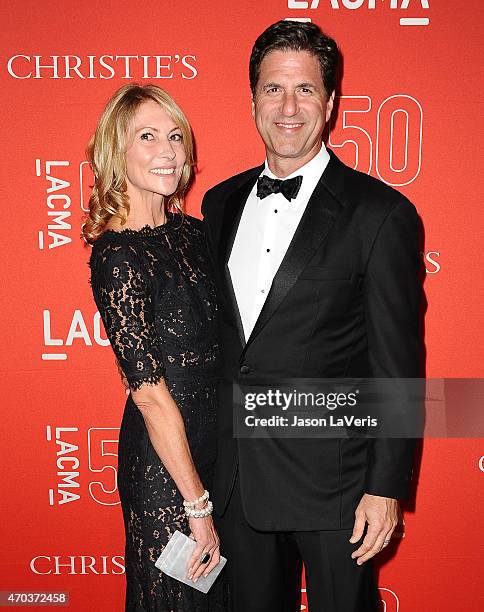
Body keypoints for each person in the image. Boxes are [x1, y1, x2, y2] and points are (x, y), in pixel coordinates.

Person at [202, 20, 423, 612]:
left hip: (337, 485)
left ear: (329, 103)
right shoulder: (219, 203)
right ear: (253, 101)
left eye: (305, 90)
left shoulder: (380, 213)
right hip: (238, 482)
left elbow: (398, 361)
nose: (289, 107)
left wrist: (385, 485)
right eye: (274, 89)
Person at [84, 84, 227, 612]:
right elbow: (148, 394)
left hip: (218, 450)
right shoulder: (117, 255)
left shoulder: (193, 234)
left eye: (175, 137)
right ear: (116, 151)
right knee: (179, 599)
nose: (168, 151)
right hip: (168, 472)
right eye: (148, 137)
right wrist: (197, 504)